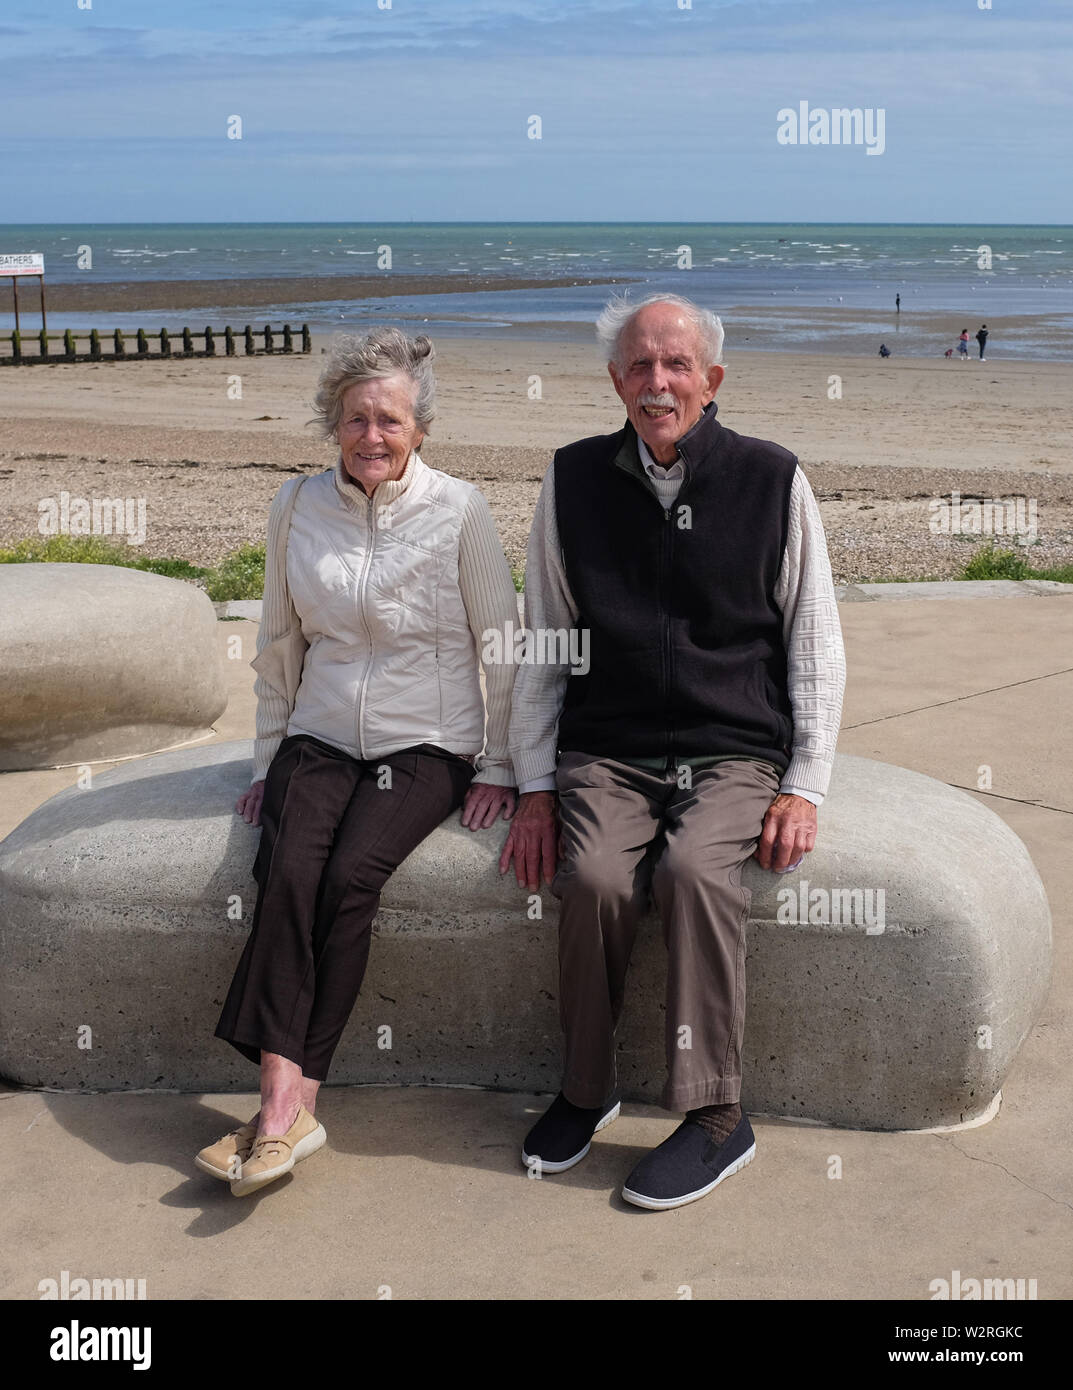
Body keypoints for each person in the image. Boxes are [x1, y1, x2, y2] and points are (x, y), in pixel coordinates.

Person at [501, 294, 845, 1210]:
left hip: (732, 747)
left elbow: (813, 641)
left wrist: (804, 784)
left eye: (676, 365)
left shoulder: (771, 480)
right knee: (598, 881)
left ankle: (717, 1116)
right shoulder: (571, 478)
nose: (658, 383)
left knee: (694, 871)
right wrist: (534, 783)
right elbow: (544, 638)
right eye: (640, 367)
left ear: (711, 380)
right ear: (616, 381)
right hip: (606, 749)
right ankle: (586, 1088)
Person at [198, 328, 519, 1196]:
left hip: (428, 743)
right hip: (319, 733)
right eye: (354, 419)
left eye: (390, 421)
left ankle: (285, 1103)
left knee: (348, 880)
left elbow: (506, 645)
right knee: (288, 872)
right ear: (331, 424)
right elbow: (278, 641)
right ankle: (281, 1100)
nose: (371, 436)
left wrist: (499, 767)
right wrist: (269, 758)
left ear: (420, 431)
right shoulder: (296, 507)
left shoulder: (459, 510)